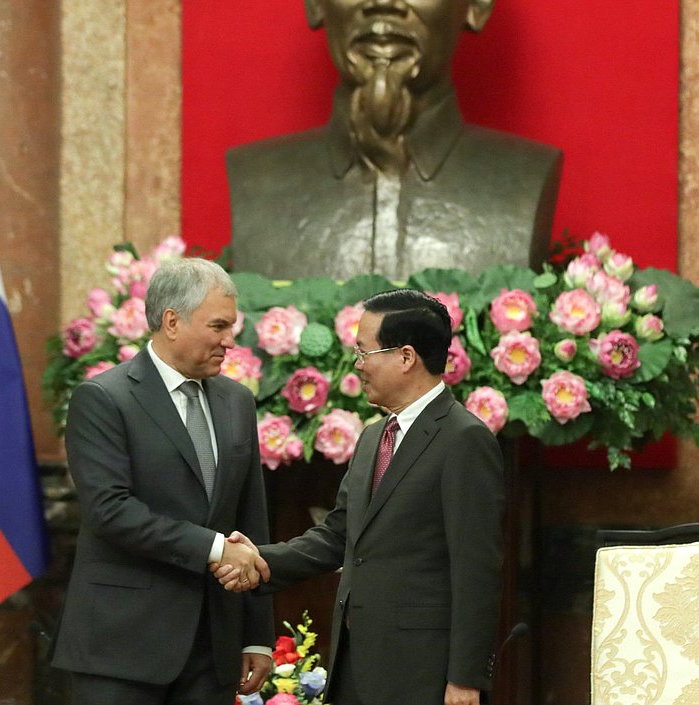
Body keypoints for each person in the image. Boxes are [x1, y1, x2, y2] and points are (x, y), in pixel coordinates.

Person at [215, 289, 506, 705]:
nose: (358, 365)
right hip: (356, 661)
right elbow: (337, 536)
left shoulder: (464, 439)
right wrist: (260, 560)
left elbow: (477, 569)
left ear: (406, 357)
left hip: (424, 672)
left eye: (364, 351)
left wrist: (465, 678)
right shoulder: (374, 437)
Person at [52, 258, 275, 705]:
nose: (230, 341)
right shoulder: (103, 399)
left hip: (212, 650)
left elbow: (250, 518)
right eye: (218, 326)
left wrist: (257, 636)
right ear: (172, 322)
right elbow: (111, 511)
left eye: (232, 327)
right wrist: (214, 548)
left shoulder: (237, 402)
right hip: (121, 650)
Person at [227, 0, 562, 280]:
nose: (383, 4)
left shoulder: (526, 180)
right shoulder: (257, 179)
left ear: (478, 4)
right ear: (315, 3)